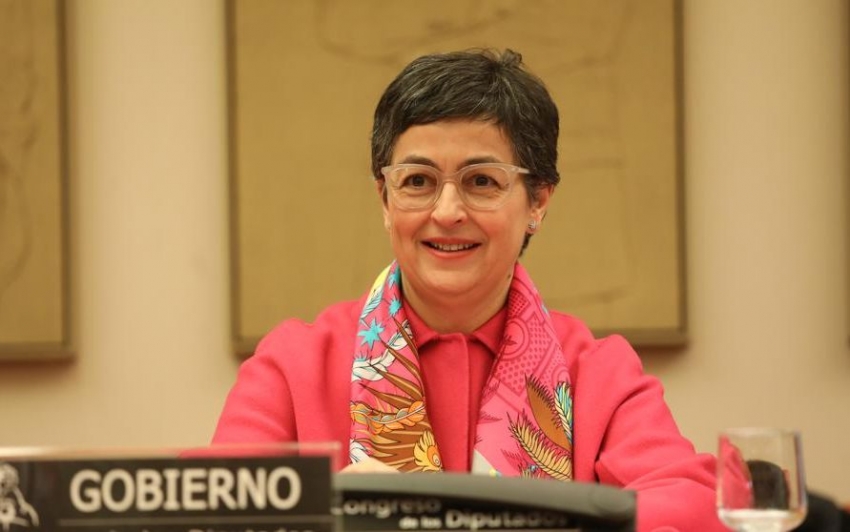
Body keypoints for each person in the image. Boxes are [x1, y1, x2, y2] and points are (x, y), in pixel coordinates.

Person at [213, 48, 727, 532]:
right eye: (418, 181)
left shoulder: (597, 373)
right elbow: (212, 514)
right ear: (384, 199)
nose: (447, 212)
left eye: (482, 181)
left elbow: (690, 503)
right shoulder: (293, 363)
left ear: (538, 202)